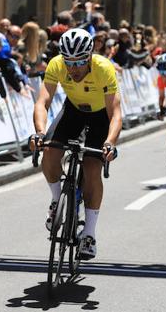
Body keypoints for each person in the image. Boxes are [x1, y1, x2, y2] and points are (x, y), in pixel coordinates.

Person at [30, 28, 122, 260]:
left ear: (90, 56)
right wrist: (40, 133)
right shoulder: (56, 65)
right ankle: (55, 199)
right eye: (69, 62)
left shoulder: (104, 68)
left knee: (92, 168)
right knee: (50, 151)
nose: (74, 68)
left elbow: (116, 113)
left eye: (80, 61)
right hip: (73, 111)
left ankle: (89, 234)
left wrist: (110, 143)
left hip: (100, 116)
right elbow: (43, 102)